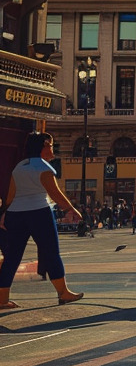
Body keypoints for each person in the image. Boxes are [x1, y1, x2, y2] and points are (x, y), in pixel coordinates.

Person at [0, 132, 84, 309]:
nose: (53, 148)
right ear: (44, 145)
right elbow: (55, 194)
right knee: (51, 253)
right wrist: (71, 209)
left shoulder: (19, 167)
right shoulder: (44, 168)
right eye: (51, 144)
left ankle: (2, 299)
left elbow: (10, 196)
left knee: (12, 257)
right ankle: (63, 293)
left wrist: (3, 214)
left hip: (16, 214)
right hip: (39, 213)